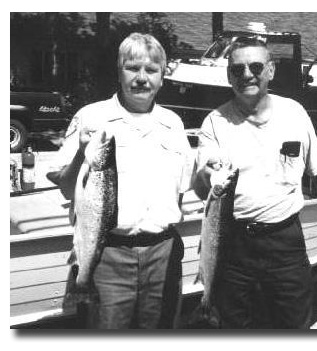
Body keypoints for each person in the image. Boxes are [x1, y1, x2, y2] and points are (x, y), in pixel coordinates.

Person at [193, 37, 317, 329]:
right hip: (232, 243)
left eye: (255, 66)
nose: (246, 75)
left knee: (292, 323)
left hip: (286, 241)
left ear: (270, 70)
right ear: (228, 74)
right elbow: (202, 187)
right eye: (237, 69)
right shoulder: (214, 123)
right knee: (235, 327)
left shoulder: (294, 113)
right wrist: (207, 174)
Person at [51, 33, 193, 329]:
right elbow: (66, 187)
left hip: (162, 253)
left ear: (162, 77)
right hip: (106, 255)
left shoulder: (173, 124)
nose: (142, 78)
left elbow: (178, 194)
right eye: (133, 68)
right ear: (119, 72)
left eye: (151, 70)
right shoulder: (91, 117)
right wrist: (80, 151)